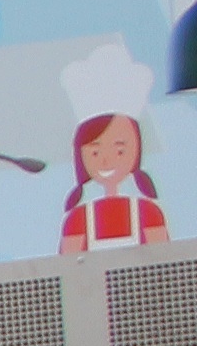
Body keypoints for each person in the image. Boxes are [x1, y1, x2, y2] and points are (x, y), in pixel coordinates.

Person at [59, 108, 169, 252]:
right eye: (95, 153)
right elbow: (68, 267)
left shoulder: (148, 212)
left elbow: (163, 259)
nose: (106, 161)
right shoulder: (77, 219)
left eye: (119, 151)